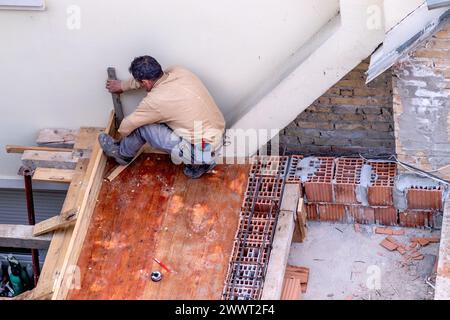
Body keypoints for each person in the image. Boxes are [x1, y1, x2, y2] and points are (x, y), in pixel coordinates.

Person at [99, 55, 226, 179]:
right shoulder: (179, 71)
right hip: (218, 134)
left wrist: (121, 133)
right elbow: (151, 80)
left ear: (145, 82)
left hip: (202, 151)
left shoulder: (155, 101)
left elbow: (126, 127)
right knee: (162, 119)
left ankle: (122, 154)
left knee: (142, 127)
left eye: (141, 83)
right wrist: (123, 86)